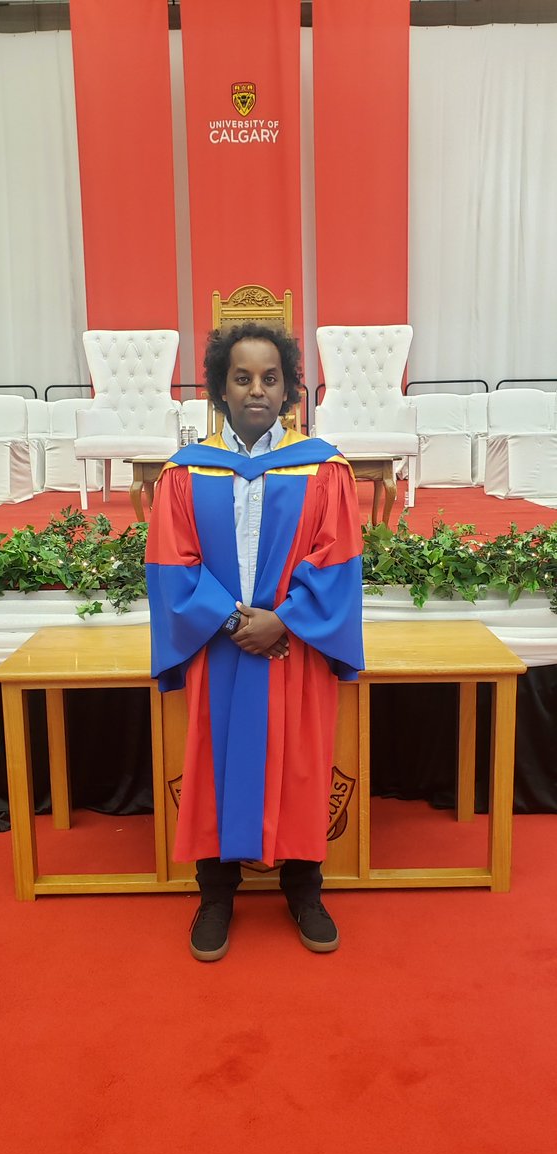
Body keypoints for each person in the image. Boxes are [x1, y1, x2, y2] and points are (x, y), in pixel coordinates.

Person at [146, 321, 364, 961]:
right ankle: (216, 894)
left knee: (300, 762)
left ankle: (305, 888)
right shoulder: (186, 473)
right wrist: (235, 622)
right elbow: (171, 562)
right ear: (220, 388)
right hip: (222, 647)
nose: (256, 390)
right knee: (214, 765)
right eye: (241, 378)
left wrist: (285, 620)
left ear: (290, 387)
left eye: (270, 378)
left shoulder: (323, 467)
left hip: (293, 647)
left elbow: (338, 560)